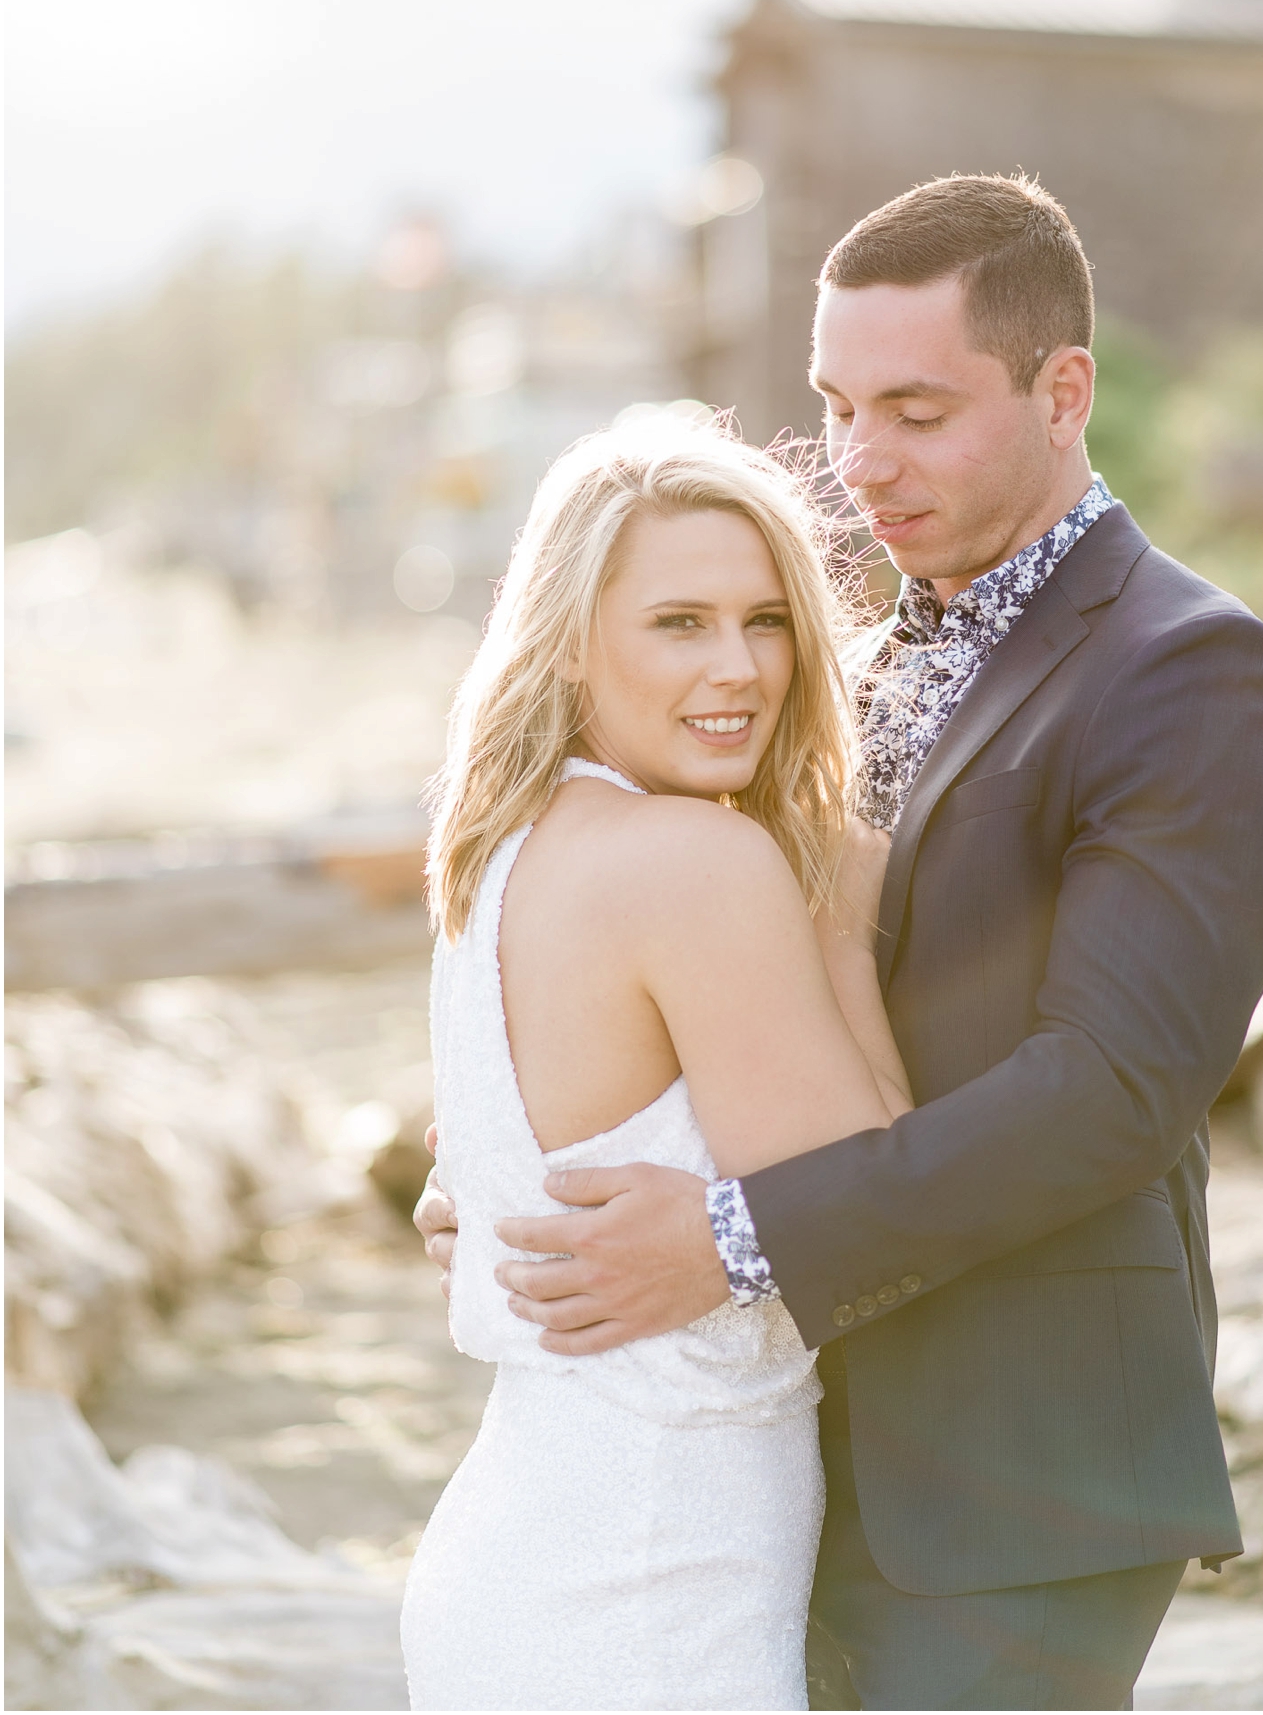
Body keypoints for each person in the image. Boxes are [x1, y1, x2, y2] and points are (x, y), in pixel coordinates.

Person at [418, 171, 1263, 1710]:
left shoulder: (1191, 675)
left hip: (1014, 1466)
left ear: (1064, 391)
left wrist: (727, 1234)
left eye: (914, 409)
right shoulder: (851, 646)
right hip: (789, 1454)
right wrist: (520, 1141)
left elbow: (1112, 1094)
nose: (860, 464)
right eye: (837, 409)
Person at [399, 421, 913, 1712]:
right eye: (678, 623)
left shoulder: (497, 855)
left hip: (522, 1569)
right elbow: (881, 1227)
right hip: (644, 1603)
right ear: (573, 644)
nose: (737, 668)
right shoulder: (698, 865)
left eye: (766, 620)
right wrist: (843, 932)